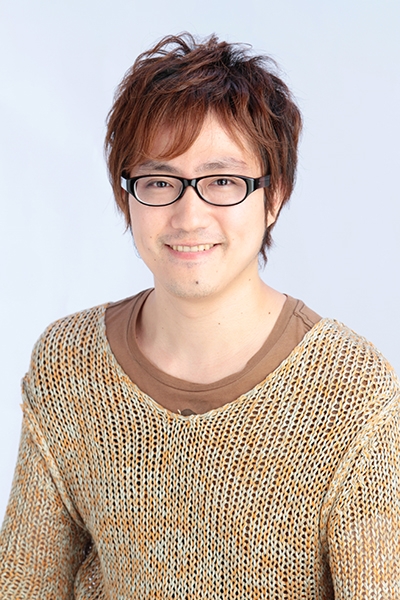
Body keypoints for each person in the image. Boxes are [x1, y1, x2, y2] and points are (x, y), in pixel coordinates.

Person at [0, 33, 399, 599]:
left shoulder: (352, 390)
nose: (189, 216)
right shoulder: (68, 364)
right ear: (127, 195)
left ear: (275, 195)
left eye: (222, 181)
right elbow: (25, 584)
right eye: (160, 181)